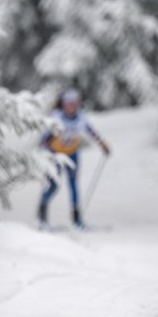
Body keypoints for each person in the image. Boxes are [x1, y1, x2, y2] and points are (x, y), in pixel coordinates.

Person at [38, 89, 110, 230]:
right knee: (52, 185)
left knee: (73, 186)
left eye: (75, 104)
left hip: (72, 155)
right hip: (56, 156)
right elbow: (45, 137)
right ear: (64, 105)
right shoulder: (56, 117)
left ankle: (77, 220)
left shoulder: (81, 118)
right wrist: (44, 151)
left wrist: (103, 144)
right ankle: (42, 218)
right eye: (69, 104)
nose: (72, 107)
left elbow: (91, 131)